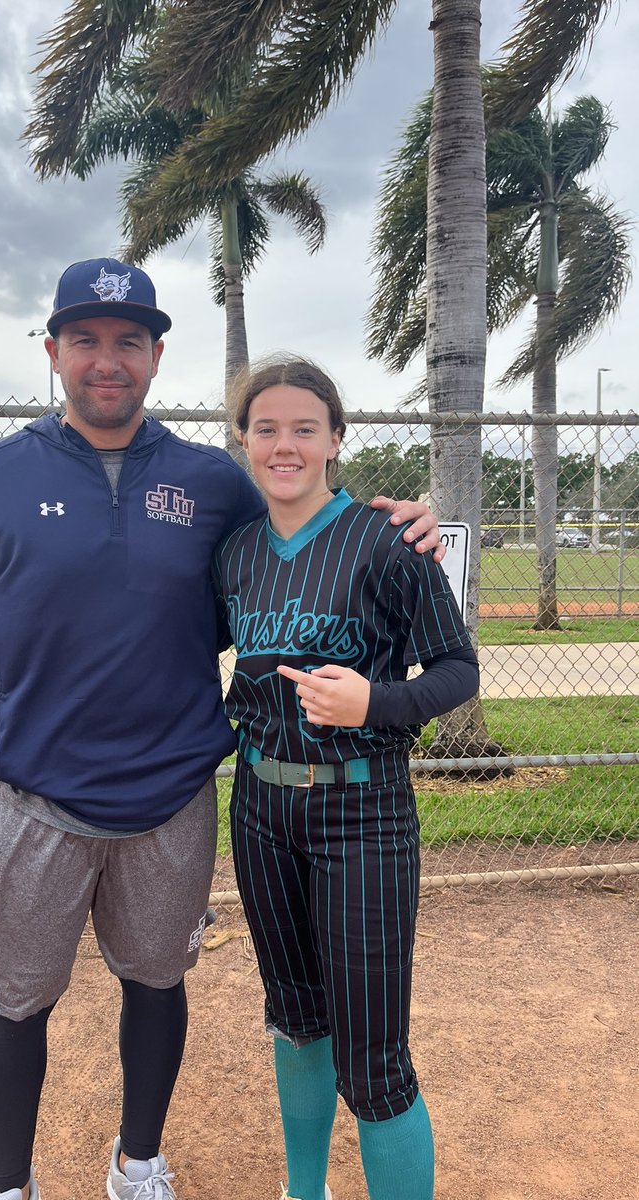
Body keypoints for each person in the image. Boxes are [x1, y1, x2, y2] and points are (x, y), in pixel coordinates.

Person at [0, 258, 445, 1200]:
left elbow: (307, 528)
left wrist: (410, 524)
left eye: (129, 341)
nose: (108, 360)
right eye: (87, 340)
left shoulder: (212, 483)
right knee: (15, 1000)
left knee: (155, 982)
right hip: (36, 793)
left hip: (170, 795)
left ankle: (137, 1161)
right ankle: (8, 1185)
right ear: (54, 351)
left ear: (156, 357)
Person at [214, 355, 479, 1200]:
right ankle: (304, 1192)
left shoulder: (388, 541)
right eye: (266, 428)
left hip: (362, 807)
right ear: (243, 440)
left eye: (305, 428)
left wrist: (376, 701)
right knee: (296, 1021)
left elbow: (457, 669)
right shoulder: (236, 553)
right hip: (259, 808)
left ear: (335, 438)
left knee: (373, 1058)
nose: (284, 445)